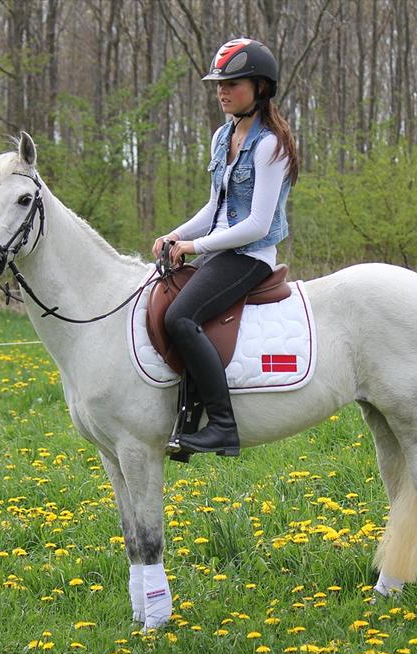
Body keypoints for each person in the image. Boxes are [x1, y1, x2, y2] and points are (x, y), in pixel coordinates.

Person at [152, 37, 299, 457]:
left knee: (181, 318)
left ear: (261, 88)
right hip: (220, 251)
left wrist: (194, 246)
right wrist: (175, 235)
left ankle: (222, 425)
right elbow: (215, 206)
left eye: (233, 83)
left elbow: (256, 224)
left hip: (250, 258)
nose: (222, 90)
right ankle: (183, 418)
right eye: (219, 83)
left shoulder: (270, 146)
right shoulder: (223, 136)